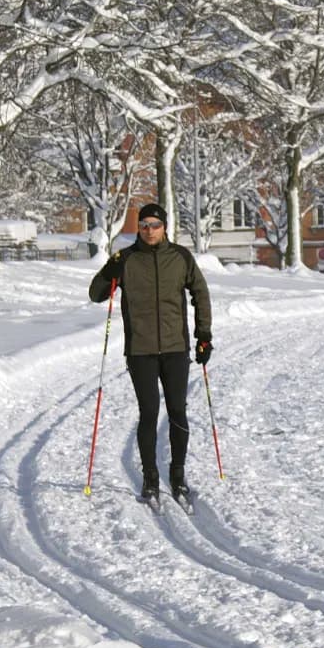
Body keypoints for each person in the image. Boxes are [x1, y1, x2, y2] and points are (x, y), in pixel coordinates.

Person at [88, 202, 212, 508]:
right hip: (140, 350)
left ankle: (178, 475)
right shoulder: (126, 259)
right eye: (144, 225)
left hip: (176, 348)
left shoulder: (180, 257)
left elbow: (200, 293)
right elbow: (96, 293)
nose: (149, 230)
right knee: (149, 412)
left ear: (164, 227)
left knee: (177, 411)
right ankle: (150, 478)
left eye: (155, 225)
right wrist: (109, 271)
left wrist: (203, 335)